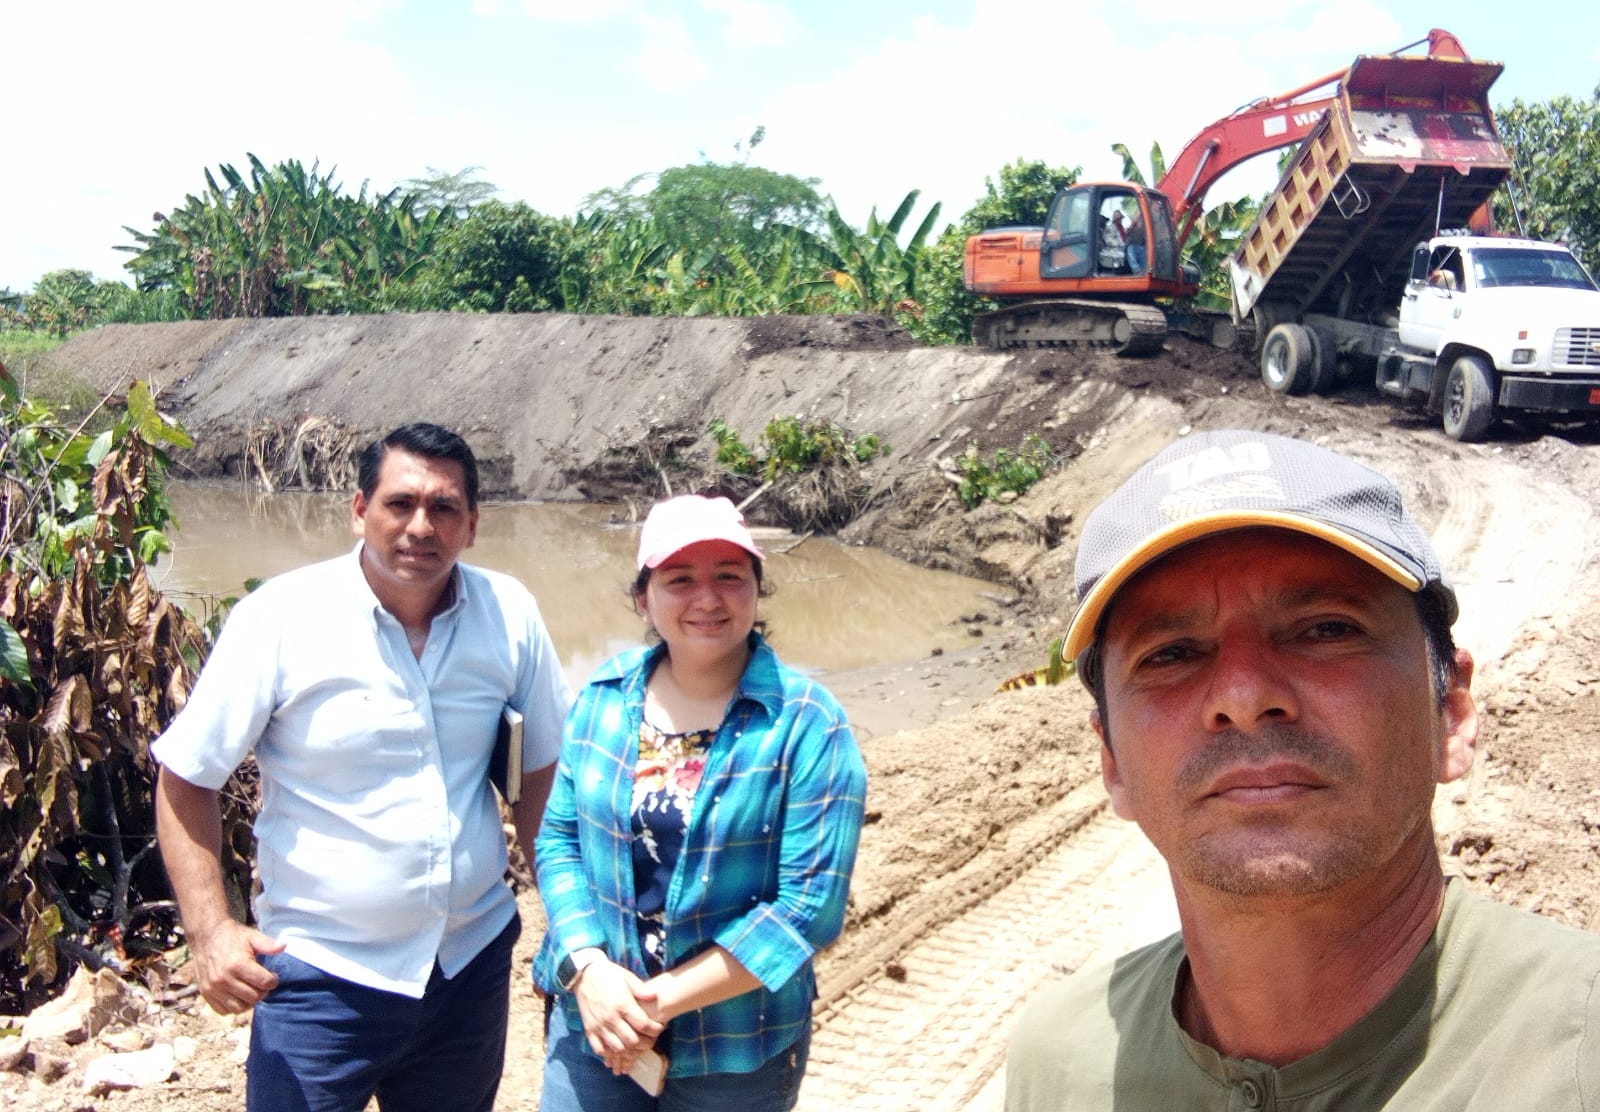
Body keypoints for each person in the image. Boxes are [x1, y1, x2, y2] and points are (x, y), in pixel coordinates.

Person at [1006, 429, 1600, 1110]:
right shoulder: (1060, 1067)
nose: (1244, 696)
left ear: (1451, 713)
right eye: (1171, 654)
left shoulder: (1578, 1055)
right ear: (1111, 761)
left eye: (1327, 629)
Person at [153, 422, 573, 1112]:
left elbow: (539, 780)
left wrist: (567, 916)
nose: (421, 527)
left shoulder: (510, 615)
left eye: (444, 508)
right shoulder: (280, 619)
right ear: (359, 511)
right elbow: (186, 778)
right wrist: (211, 932)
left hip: (467, 969)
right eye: (399, 503)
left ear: (473, 525)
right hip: (319, 976)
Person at [534, 493, 868, 1110]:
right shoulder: (603, 696)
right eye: (680, 579)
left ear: (757, 589)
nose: (707, 599)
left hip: (735, 1049)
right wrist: (589, 969)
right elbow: (559, 842)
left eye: (729, 577)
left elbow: (807, 910)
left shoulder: (808, 723)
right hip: (594, 1024)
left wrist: (651, 1004)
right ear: (644, 598)